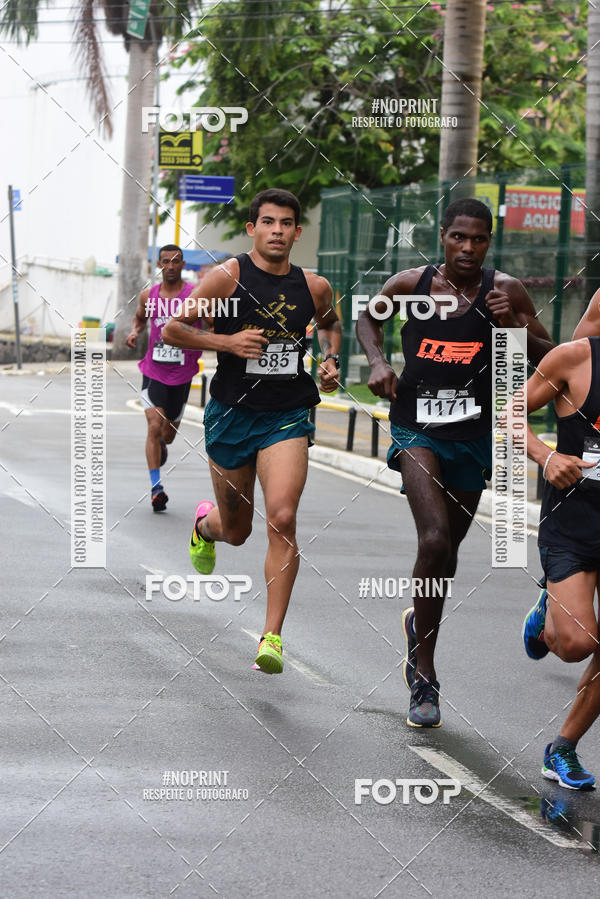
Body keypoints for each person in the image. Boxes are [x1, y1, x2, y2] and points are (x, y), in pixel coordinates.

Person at [356, 197, 553, 728]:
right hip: (416, 427)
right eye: (458, 237)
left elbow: (549, 355)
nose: (467, 248)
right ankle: (425, 675)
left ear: (490, 241)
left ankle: (417, 621)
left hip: (472, 434)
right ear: (442, 236)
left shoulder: (505, 291)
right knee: (435, 541)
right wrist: (377, 362)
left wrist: (511, 324)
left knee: (448, 557)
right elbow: (367, 320)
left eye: (479, 239)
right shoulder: (410, 286)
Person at [162, 188, 341, 673]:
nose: (277, 231)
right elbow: (172, 330)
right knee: (237, 531)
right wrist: (227, 340)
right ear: (252, 229)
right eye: (268, 222)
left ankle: (272, 636)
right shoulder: (229, 277)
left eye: (286, 223)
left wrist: (330, 360)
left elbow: (331, 325)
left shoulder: (314, 286)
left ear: (297, 232)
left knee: (282, 517)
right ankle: (206, 527)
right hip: (231, 413)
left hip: (287, 414)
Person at [521, 336, 600, 790]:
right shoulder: (576, 358)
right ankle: (547, 609)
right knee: (575, 644)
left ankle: (563, 749)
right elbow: (509, 412)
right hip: (572, 521)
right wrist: (545, 455)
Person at [126, 245, 204, 512]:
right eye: (165, 262)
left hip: (182, 373)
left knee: (168, 435)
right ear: (158, 265)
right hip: (154, 371)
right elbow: (139, 319)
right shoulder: (149, 296)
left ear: (183, 264)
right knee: (153, 426)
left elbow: (212, 325)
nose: (170, 266)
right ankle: (156, 487)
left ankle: (161, 445)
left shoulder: (195, 295)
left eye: (175, 261)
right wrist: (135, 332)